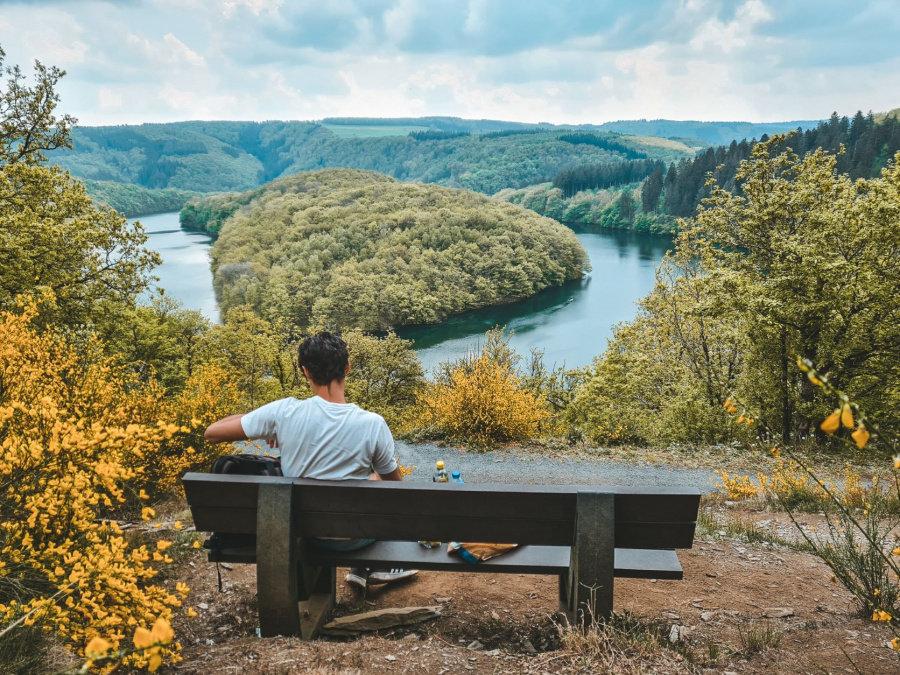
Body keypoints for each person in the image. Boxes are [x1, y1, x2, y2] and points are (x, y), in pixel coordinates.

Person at [204, 331, 417, 590]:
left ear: (306, 372)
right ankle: (371, 566)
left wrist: (260, 419)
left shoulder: (283, 412)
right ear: (348, 367)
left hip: (304, 533)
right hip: (357, 536)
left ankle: (361, 570)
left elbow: (212, 433)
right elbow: (398, 491)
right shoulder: (373, 424)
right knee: (375, 479)